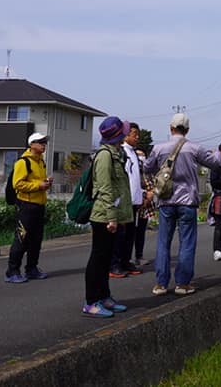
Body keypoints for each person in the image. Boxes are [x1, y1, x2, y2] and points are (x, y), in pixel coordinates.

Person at [143, 112, 221, 296]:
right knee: (187, 242)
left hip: (165, 200)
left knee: (163, 242)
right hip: (187, 201)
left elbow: (147, 167)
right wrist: (217, 152)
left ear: (171, 128)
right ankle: (182, 284)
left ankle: (161, 284)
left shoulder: (159, 148)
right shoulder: (194, 148)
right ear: (187, 130)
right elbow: (215, 163)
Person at [83, 116, 134, 317]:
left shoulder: (115, 153)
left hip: (111, 216)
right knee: (98, 258)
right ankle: (91, 301)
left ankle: (104, 297)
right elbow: (105, 188)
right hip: (103, 217)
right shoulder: (105, 155)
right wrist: (112, 218)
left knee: (105, 260)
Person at [5, 132, 53, 283]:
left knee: (36, 240)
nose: (43, 145)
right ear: (32, 145)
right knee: (22, 238)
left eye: (45, 142)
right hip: (25, 205)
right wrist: (39, 185)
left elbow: (36, 182)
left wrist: (46, 183)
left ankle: (31, 269)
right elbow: (17, 184)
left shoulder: (41, 162)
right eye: (40, 142)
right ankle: (12, 271)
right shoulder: (23, 162)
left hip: (39, 205)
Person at [110, 122, 145, 277]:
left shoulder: (134, 153)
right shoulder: (121, 152)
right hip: (124, 201)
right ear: (125, 135)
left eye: (138, 135)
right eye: (134, 134)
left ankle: (126, 261)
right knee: (120, 235)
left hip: (134, 201)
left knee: (130, 234)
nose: (137, 137)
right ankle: (115, 264)